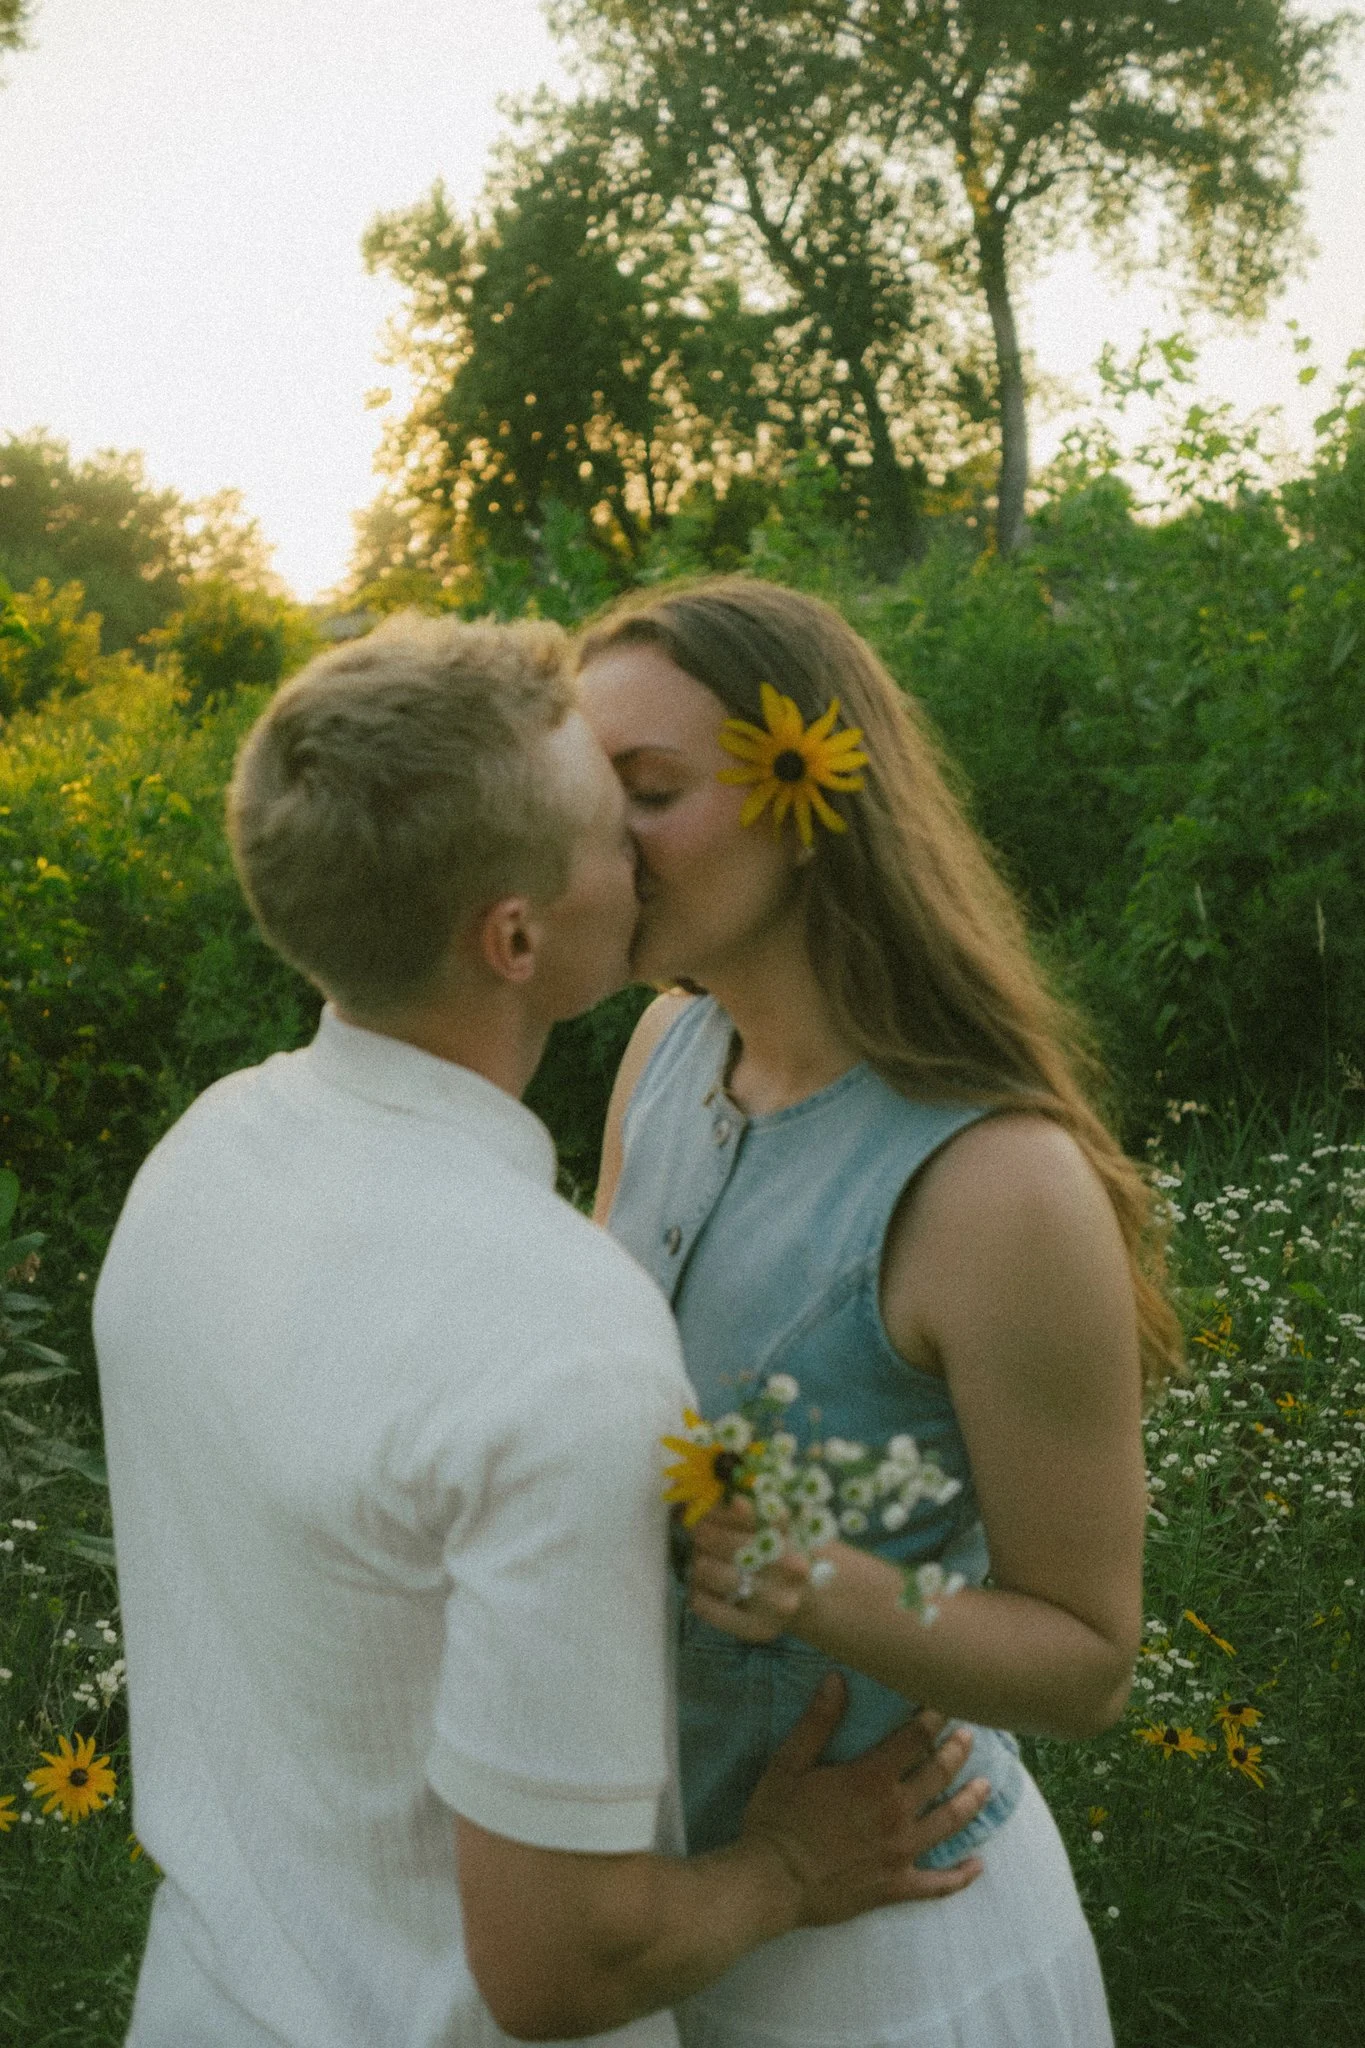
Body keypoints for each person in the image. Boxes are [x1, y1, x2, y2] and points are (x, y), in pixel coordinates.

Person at [93, 612, 992, 2048]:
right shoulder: (563, 1343)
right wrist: (788, 1865)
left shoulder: (199, 1163)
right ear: (515, 935)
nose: (640, 859)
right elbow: (556, 1966)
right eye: (605, 826)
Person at [577, 577, 1184, 2048]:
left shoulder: (993, 1183)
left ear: (807, 794)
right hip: (678, 1900)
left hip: (889, 1947)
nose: (596, 838)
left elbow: (1088, 1651)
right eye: (579, 791)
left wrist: (820, 1583)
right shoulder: (665, 1049)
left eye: (647, 792)